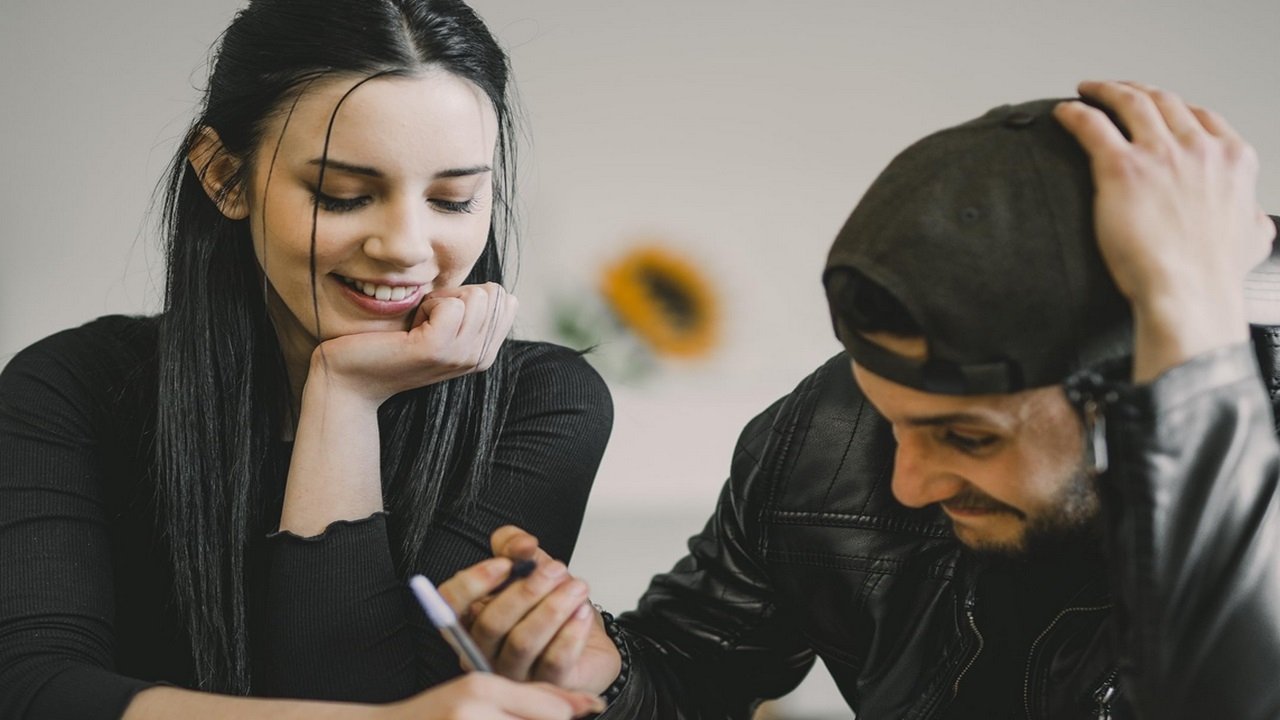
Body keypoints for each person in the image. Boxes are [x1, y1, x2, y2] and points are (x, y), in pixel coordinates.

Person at [440, 80, 1280, 718]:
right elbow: (694, 670)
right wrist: (604, 668)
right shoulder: (821, 438)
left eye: (968, 437)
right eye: (892, 419)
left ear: (1151, 380)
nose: (907, 481)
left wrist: (1191, 310)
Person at [0, 1, 613, 718]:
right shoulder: (72, 388)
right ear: (226, 175)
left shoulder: (540, 402)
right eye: (344, 195)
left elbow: (365, 689)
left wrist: (344, 399)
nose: (407, 247)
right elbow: (34, 690)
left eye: (453, 200)